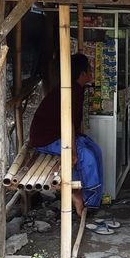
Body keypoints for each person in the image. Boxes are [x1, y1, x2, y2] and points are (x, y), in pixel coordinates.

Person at [29, 53, 94, 216]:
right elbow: (69, 124)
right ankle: (82, 197)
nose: (92, 71)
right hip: (45, 139)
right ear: (83, 73)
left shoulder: (77, 88)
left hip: (57, 135)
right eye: (90, 69)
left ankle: (92, 198)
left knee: (94, 150)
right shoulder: (71, 90)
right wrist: (72, 150)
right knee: (85, 155)